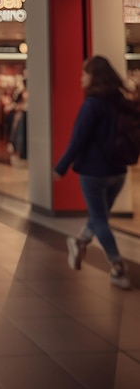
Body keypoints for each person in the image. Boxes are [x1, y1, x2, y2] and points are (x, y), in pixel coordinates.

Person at [53, 55, 134, 290]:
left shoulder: (92, 105)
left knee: (99, 219)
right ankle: (78, 243)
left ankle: (117, 266)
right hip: (118, 172)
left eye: (84, 73)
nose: (81, 77)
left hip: (93, 173)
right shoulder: (121, 101)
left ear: (94, 76)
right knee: (100, 217)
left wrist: (60, 168)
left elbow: (78, 140)